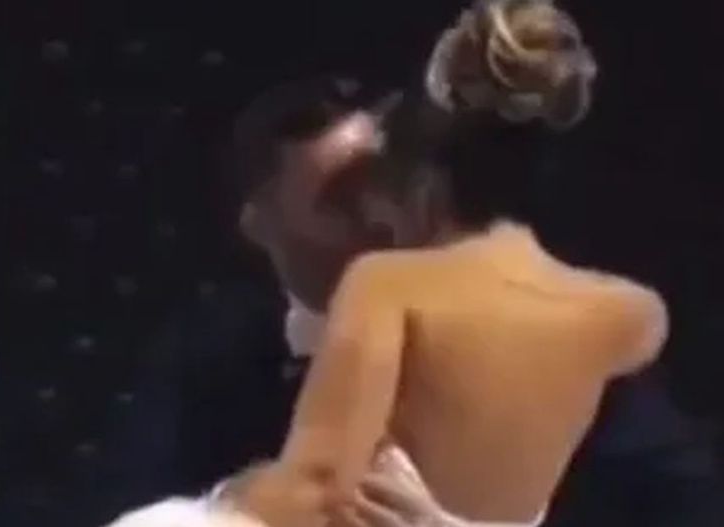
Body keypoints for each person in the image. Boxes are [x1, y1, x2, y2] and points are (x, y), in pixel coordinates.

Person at [220, 1, 667, 526]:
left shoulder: (386, 286)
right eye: (342, 200)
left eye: (375, 184)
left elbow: (311, 492)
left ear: (423, 183)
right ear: (259, 222)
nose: (372, 220)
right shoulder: (631, 318)